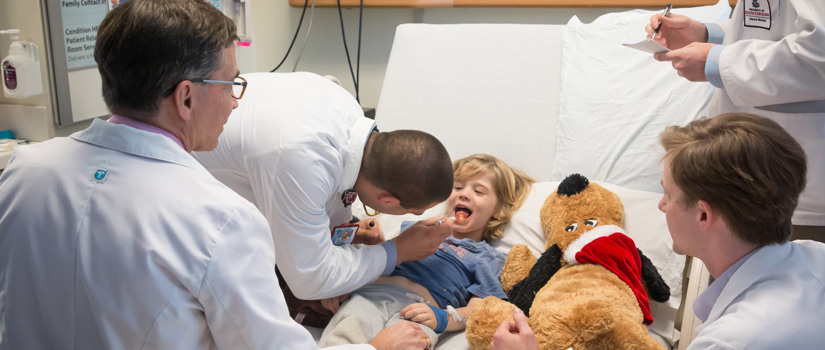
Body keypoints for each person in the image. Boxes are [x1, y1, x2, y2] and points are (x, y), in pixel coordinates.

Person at [0, 1, 430, 349]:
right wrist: (376, 347)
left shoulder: (22, 171)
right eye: (231, 85)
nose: (235, 103)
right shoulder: (221, 220)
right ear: (186, 97)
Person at [490, 112, 825, 349]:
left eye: (668, 194)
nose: (661, 206)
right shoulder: (816, 256)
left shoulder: (730, 340)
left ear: (703, 215)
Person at [191, 72, 456, 322]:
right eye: (415, 211)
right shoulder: (300, 157)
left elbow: (323, 193)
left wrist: (340, 236)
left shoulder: (346, 109)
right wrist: (397, 251)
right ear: (387, 201)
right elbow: (308, 278)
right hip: (188, 196)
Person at [318, 154, 535, 348]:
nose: (464, 195)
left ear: (497, 211)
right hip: (373, 296)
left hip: (424, 313)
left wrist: (443, 318)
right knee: (347, 332)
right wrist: (372, 244)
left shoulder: (487, 257)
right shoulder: (417, 228)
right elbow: (385, 260)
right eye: (458, 188)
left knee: (413, 343)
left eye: (478, 191)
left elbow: (479, 310)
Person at [645, 0, 825, 227]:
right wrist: (707, 34)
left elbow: (819, 52)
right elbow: (773, 25)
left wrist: (719, 62)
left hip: (802, 190)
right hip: (752, 178)